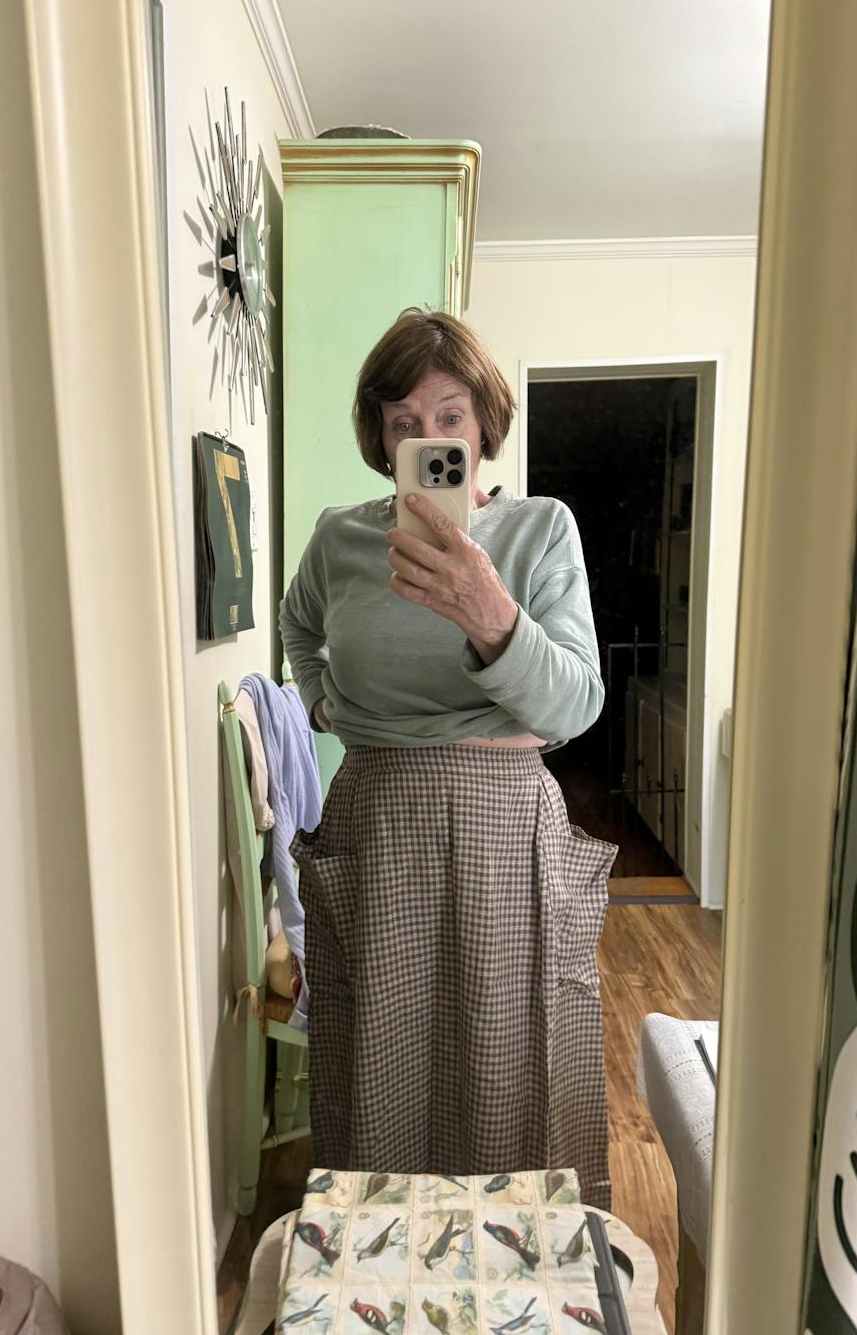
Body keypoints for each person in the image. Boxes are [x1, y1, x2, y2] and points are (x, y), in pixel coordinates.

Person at [279, 308, 617, 1208]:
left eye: (450, 415)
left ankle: (519, 1265)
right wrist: (319, 703)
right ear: (380, 437)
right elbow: (297, 625)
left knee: (513, 1071)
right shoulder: (340, 539)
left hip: (507, 835)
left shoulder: (541, 531)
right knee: (376, 1071)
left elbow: (575, 705)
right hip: (377, 827)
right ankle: (381, 1264)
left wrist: (491, 614)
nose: (429, 438)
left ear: (483, 423)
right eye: (405, 421)